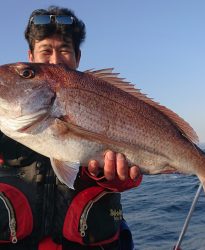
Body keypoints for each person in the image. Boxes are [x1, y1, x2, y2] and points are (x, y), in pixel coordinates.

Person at [0, 6, 142, 250]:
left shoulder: (103, 95)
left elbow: (133, 166)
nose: (55, 59)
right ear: (31, 56)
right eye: (46, 50)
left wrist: (116, 179)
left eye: (64, 50)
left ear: (77, 57)